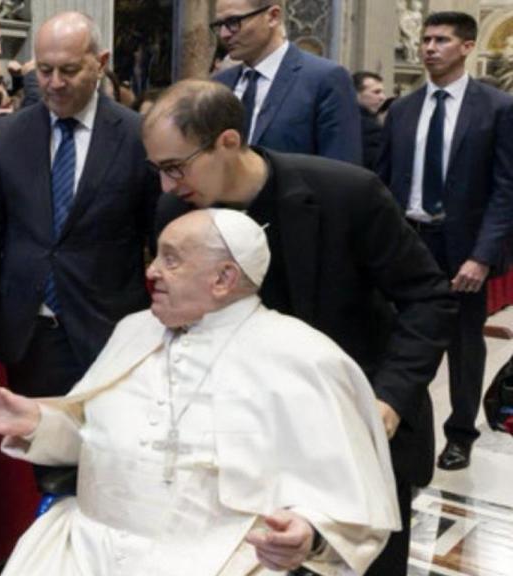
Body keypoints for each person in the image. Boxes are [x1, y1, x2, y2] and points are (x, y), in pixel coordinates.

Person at [0, 209, 401, 575]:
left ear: (223, 278)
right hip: (85, 548)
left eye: (170, 260)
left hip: (224, 559)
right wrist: (39, 423)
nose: (151, 271)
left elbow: (348, 503)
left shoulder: (304, 356)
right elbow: (93, 439)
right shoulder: (133, 330)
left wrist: (309, 531)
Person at [147, 79, 456, 576]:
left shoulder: (346, 193)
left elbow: (428, 299)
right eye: (157, 170)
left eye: (174, 168)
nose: (166, 186)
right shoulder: (178, 211)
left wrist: (389, 398)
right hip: (248, 445)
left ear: (228, 141)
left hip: (357, 432)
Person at [0, 11, 160, 401]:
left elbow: (161, 236)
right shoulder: (7, 136)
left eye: (68, 70)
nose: (54, 84)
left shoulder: (139, 137)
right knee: (46, 457)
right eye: (45, 70)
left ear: (100, 63)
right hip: (32, 339)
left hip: (113, 335)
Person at [377, 12, 513, 472]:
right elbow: (382, 181)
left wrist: (482, 256)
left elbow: (504, 189)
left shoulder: (495, 108)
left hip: (460, 245)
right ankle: (404, 425)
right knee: (403, 340)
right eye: (426, 40)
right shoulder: (403, 108)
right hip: (408, 241)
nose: (430, 48)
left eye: (441, 40)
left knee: (463, 345)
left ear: (467, 47)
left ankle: (460, 434)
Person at [210, 0, 362, 165]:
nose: (224, 34)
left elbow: (342, 171)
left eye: (233, 22)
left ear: (273, 17)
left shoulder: (324, 79)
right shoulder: (219, 85)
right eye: (220, 25)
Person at [353, 70, 386, 170]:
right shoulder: (371, 129)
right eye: (376, 92)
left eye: (382, 92)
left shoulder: (337, 119)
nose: (383, 97)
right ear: (356, 94)